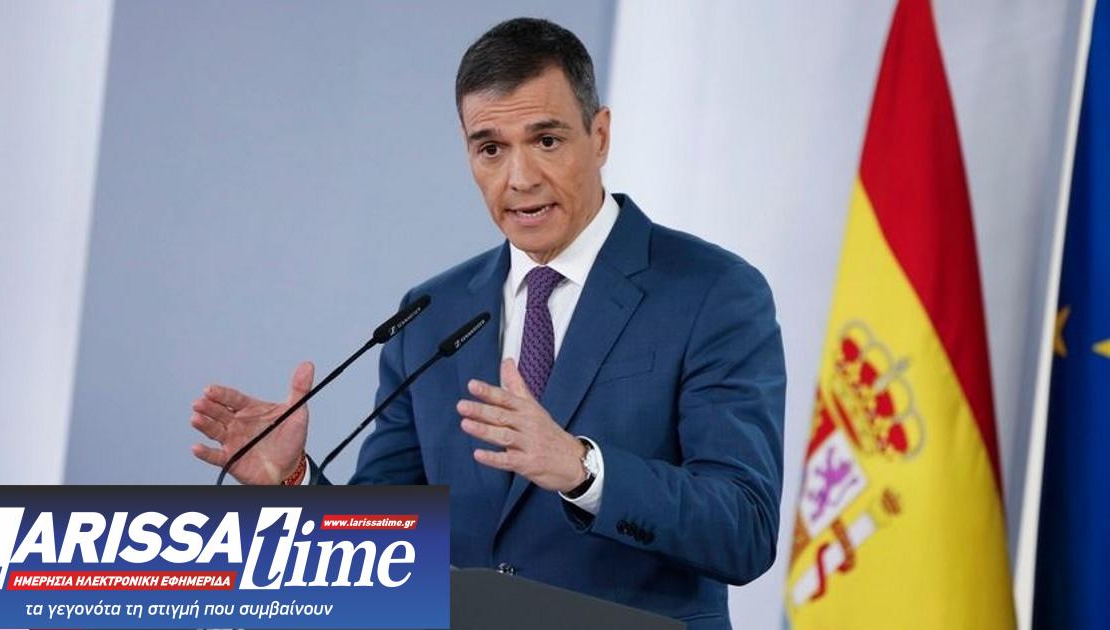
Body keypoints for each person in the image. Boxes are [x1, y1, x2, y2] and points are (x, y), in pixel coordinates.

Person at [190, 17, 785, 630]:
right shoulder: (430, 315)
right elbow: (385, 547)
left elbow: (744, 529)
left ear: (600, 135)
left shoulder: (713, 292)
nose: (519, 179)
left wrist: (583, 469)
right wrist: (293, 482)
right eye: (491, 149)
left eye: (546, 140)